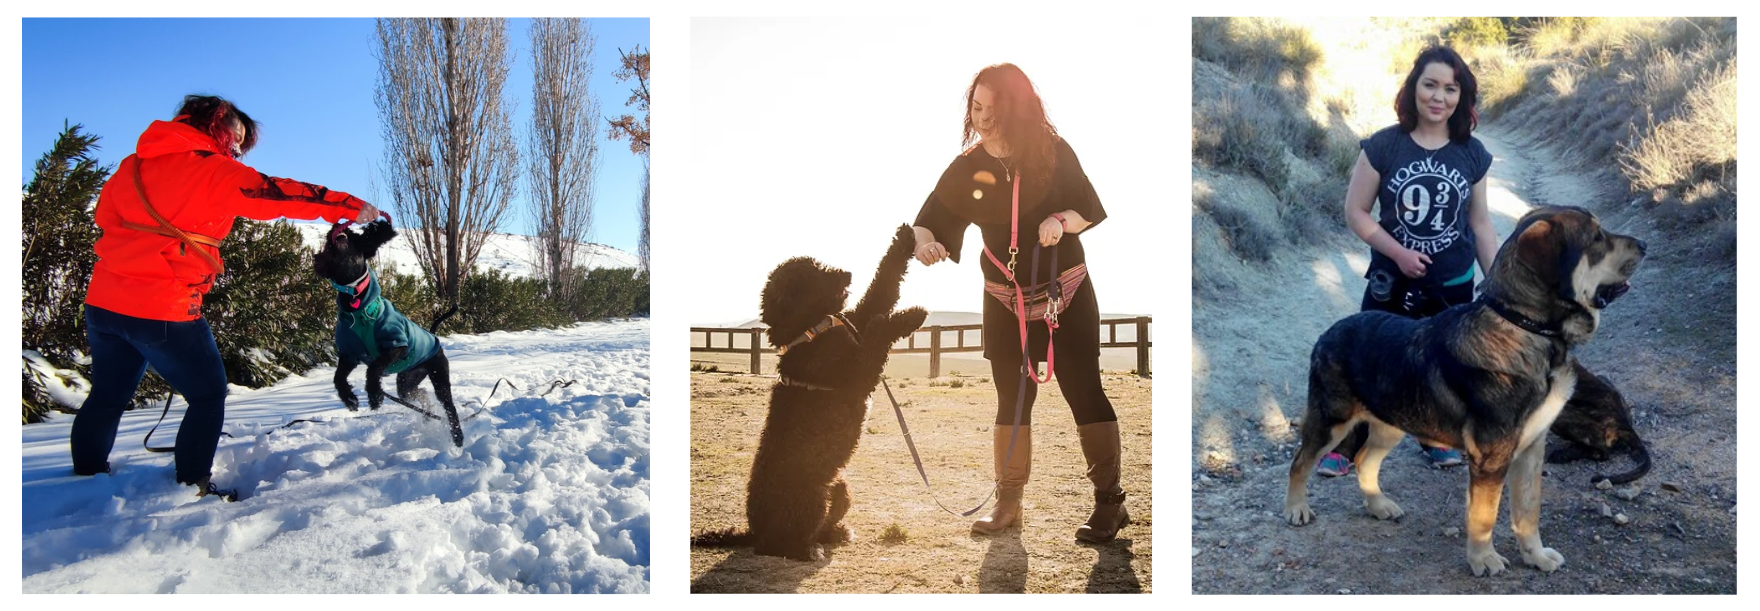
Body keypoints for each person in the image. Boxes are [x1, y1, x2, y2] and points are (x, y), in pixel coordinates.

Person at [70, 94, 378, 497]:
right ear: (215, 123)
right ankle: (191, 486)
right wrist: (348, 206)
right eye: (236, 137)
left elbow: (104, 218)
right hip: (164, 306)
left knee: (108, 394)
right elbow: (277, 194)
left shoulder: (132, 166)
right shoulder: (212, 169)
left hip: (105, 302)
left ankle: (83, 480)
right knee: (208, 393)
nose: (236, 148)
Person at [911, 63, 1126, 542]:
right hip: (1002, 298)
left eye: (993, 108)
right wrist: (926, 244)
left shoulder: (1052, 151)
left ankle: (1110, 505)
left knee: (1082, 388)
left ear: (1017, 108)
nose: (983, 117)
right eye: (976, 106)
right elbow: (925, 221)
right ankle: (1009, 505)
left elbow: (1088, 209)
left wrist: (1061, 220)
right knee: (1012, 397)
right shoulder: (967, 166)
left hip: (1062, 292)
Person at [1320, 46, 1496, 477]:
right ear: (1414, 88)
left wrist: (1497, 280)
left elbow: (1480, 223)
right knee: (1370, 360)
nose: (1439, 97)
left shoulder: (1472, 153)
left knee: (1445, 365)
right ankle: (1347, 444)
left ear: (1462, 96)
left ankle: (1435, 437)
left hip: (1452, 283)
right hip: (1390, 280)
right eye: (1430, 85)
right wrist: (1397, 253)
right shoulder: (1384, 146)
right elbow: (1356, 212)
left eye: (1450, 88)